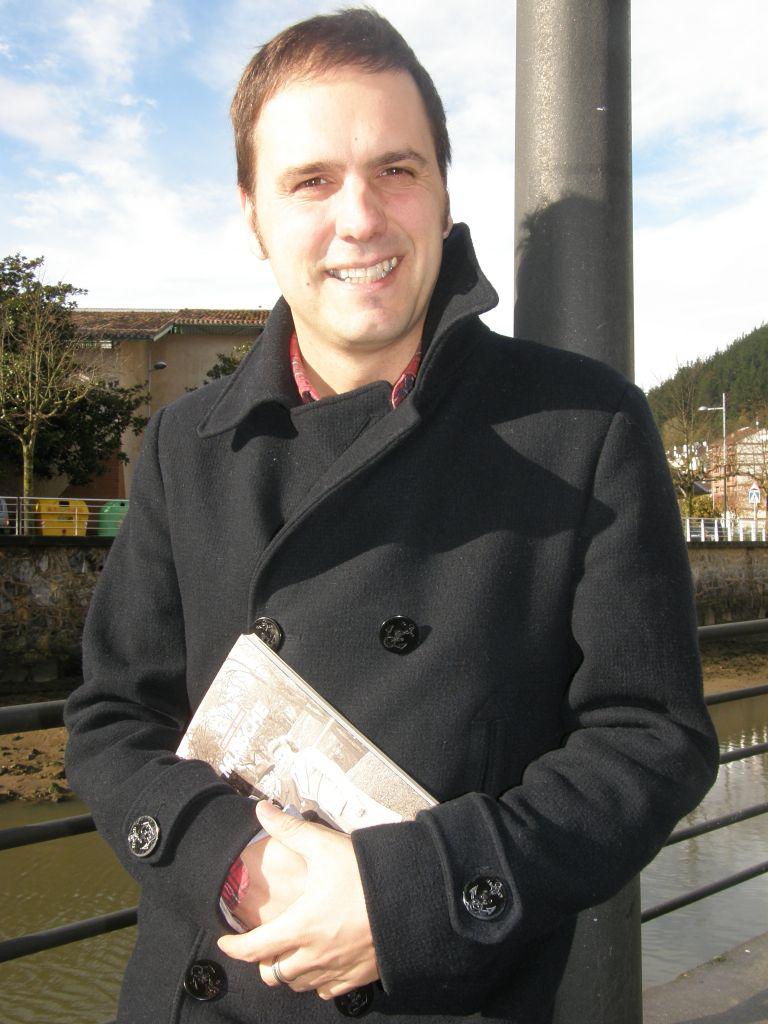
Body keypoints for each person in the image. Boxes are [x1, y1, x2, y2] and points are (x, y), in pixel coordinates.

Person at [64, 9, 718, 1023]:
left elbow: (649, 736)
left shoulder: (584, 427)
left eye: (396, 170)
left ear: (445, 194)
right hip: (207, 983)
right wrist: (236, 863)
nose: (361, 218)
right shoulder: (185, 444)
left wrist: (409, 897)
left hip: (441, 994)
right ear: (253, 216)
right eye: (311, 181)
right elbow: (113, 718)